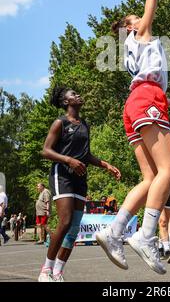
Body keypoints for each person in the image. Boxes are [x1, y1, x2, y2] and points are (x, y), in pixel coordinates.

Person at [95, 0, 170, 275]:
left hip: (136, 103)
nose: (141, 17)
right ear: (130, 27)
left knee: (150, 176)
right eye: (135, 17)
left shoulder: (133, 49)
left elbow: (147, 85)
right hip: (147, 99)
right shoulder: (141, 34)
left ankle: (115, 232)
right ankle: (146, 234)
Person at [37, 86, 121, 282]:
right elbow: (46, 151)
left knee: (74, 228)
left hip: (80, 178)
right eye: (73, 95)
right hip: (62, 175)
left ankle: (58, 272)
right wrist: (69, 161)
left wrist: (106, 165)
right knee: (65, 222)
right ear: (66, 102)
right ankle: (45, 270)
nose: (78, 95)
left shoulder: (84, 124)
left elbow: (86, 155)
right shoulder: (60, 123)